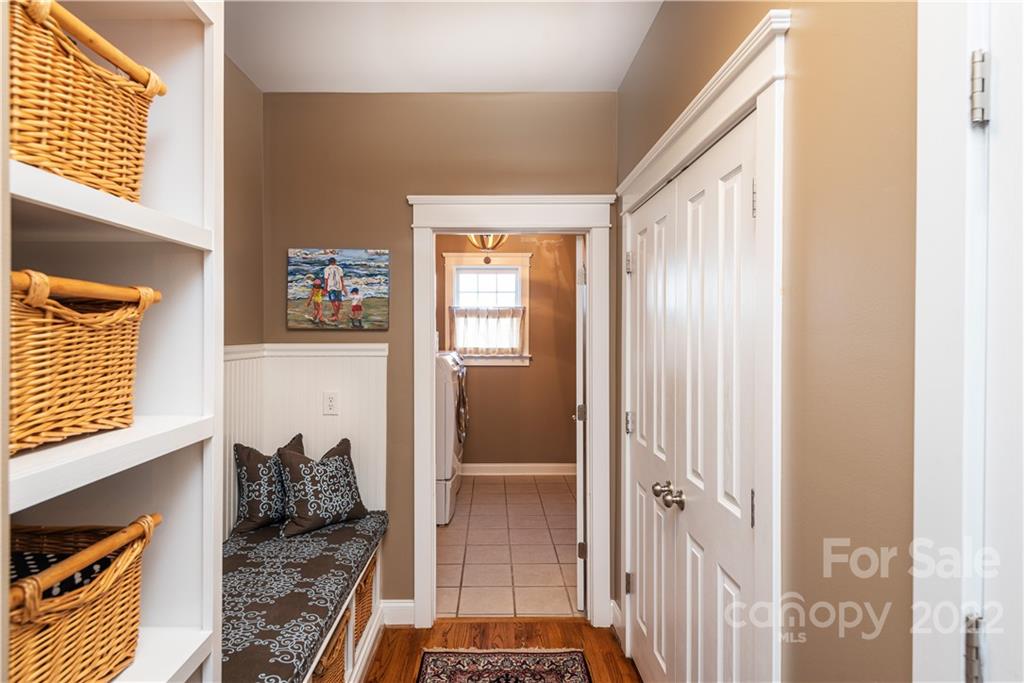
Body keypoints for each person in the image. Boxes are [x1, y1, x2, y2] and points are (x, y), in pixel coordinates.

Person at [323, 257, 347, 323]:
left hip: (331, 287)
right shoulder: (339, 268)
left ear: (329, 262)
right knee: (338, 301)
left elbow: (326, 280)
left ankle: (336, 316)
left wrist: (325, 289)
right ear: (335, 262)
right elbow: (342, 279)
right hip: (338, 286)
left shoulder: (327, 269)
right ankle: (336, 314)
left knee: (333, 302)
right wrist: (343, 287)